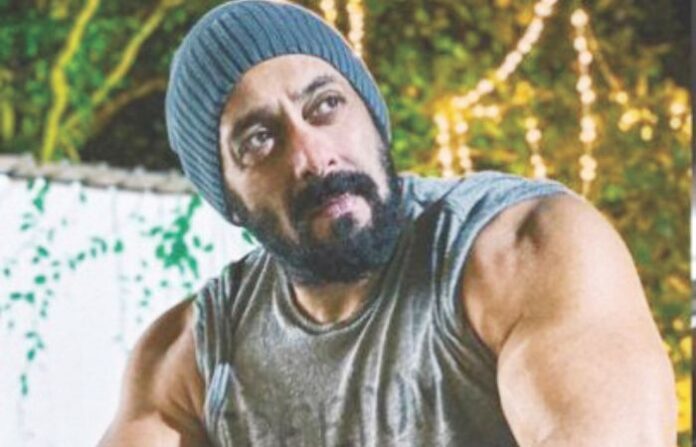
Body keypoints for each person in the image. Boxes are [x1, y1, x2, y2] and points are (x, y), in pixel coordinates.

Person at [97, 1, 677, 446]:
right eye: (259, 139)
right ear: (229, 198)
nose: (313, 156)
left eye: (326, 105)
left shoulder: (523, 249)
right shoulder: (191, 359)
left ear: (374, 117)